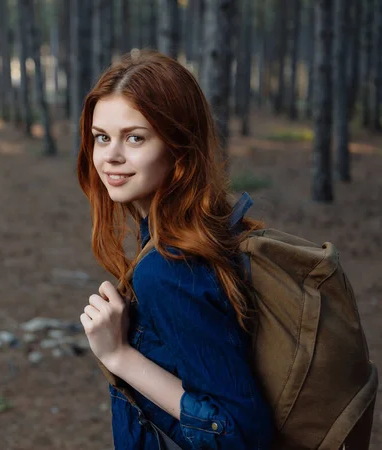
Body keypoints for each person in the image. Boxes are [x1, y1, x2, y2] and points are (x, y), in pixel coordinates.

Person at [77, 51, 274, 449]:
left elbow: (241, 433)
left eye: (135, 137)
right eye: (102, 137)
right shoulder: (214, 224)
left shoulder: (170, 268)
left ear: (178, 146)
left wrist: (118, 356)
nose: (111, 156)